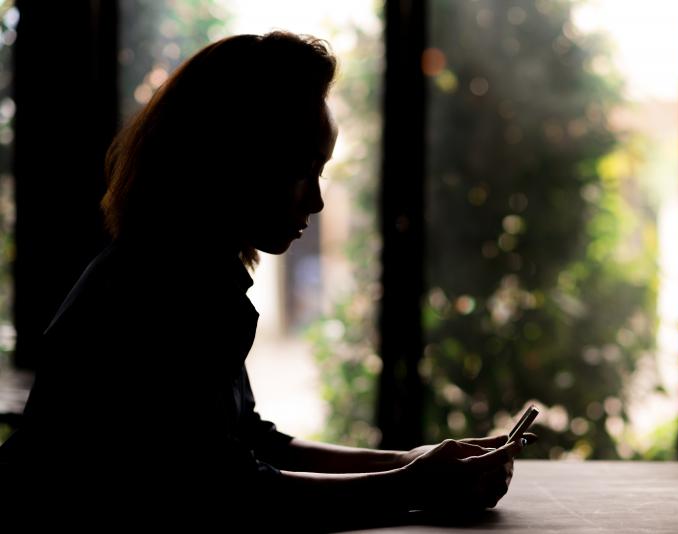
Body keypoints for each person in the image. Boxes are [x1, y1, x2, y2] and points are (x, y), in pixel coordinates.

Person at [0, 31, 533, 523]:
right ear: (233, 160)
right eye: (303, 171)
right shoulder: (167, 294)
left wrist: (407, 461)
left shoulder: (172, 269)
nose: (318, 200)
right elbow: (230, 496)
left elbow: (247, 444)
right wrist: (411, 484)